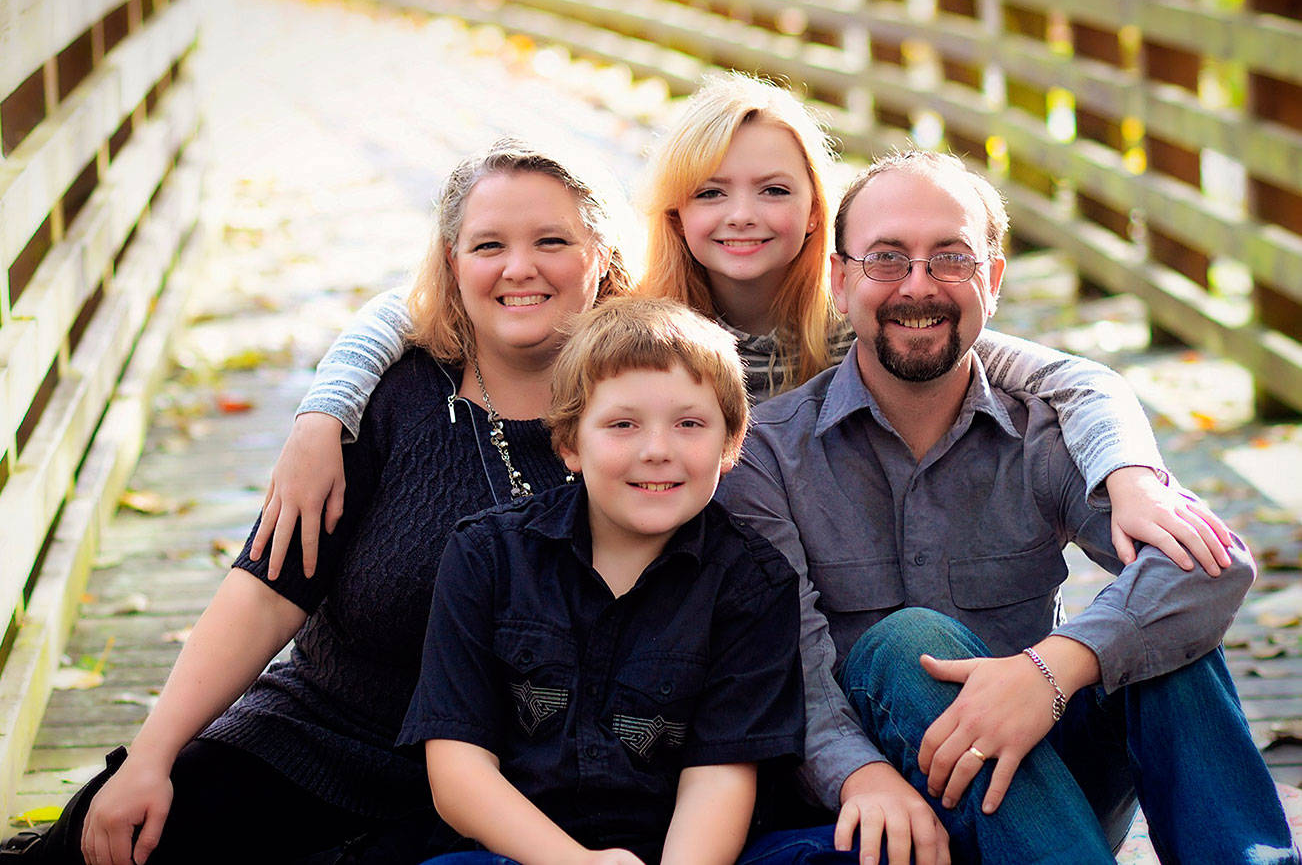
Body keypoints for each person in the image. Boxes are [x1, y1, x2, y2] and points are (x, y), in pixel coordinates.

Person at [249, 72, 1233, 592]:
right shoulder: (638, 318)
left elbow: (1072, 377)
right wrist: (323, 414)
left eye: (774, 189)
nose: (743, 215)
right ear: (675, 210)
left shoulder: (865, 317)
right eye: (712, 191)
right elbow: (419, 303)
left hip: (853, 593)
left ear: (817, 209)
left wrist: (1129, 474)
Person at [7, 138, 634, 865]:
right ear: (453, 261)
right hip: (323, 739)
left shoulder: (646, 413)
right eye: (488, 245)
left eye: (552, 241)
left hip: (521, 789)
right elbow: (267, 591)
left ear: (603, 255)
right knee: (120, 828)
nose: (518, 268)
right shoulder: (390, 400)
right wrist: (152, 754)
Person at [717, 149, 1298, 864]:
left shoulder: (1043, 435)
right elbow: (788, 670)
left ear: (991, 281)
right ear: (840, 281)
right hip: (879, 811)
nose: (919, 285)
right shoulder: (768, 455)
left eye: (951, 259)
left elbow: (1212, 565)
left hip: (1045, 796)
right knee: (907, 643)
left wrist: (1052, 669)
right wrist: (857, 775)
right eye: (887, 259)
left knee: (1165, 635)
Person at [399, 297, 814, 865]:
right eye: (623, 425)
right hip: (519, 853)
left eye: (689, 424)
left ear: (729, 444)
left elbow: (719, 779)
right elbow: (457, 771)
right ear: (570, 442)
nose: (658, 451)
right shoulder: (486, 556)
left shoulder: (753, 585)